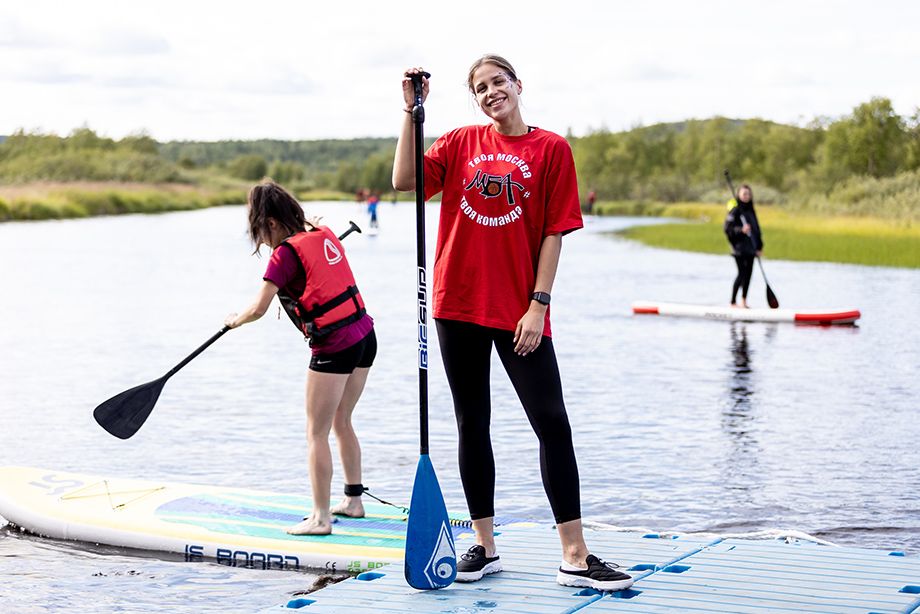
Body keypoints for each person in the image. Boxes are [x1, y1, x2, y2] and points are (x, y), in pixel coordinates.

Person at [392, 56, 634, 592]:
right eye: (480, 88)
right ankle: (485, 544)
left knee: (552, 422)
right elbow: (405, 180)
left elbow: (554, 231)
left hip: (520, 311)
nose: (490, 92)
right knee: (471, 422)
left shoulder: (551, 149)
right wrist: (412, 113)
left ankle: (575, 554)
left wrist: (538, 303)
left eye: (498, 82)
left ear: (518, 86)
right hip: (457, 306)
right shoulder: (457, 143)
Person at [225, 181, 376, 535]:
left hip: (335, 345)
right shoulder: (321, 233)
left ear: (273, 223)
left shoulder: (284, 255)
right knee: (342, 420)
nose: (260, 238)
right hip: (365, 335)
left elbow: (259, 308)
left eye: (259, 229)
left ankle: (321, 518)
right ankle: (353, 501)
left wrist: (234, 321)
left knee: (316, 433)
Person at [724, 184, 763, 308]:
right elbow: (727, 228)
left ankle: (744, 301)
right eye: (744, 194)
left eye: (748, 194)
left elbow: (757, 229)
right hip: (739, 248)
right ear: (739, 195)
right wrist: (741, 230)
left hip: (751, 248)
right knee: (741, 273)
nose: (747, 196)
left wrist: (759, 246)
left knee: (749, 274)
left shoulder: (751, 210)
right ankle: (732, 302)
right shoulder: (735, 210)